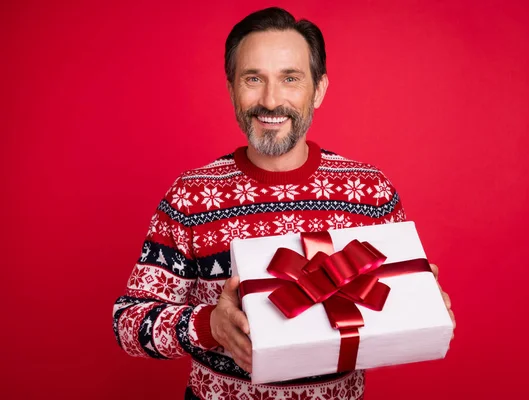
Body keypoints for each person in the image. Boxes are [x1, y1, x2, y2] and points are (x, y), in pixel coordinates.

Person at [112, 7, 455, 400]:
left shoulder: (370, 191)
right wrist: (211, 326)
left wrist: (422, 305)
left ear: (319, 89)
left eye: (290, 78)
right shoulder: (191, 195)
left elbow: (391, 307)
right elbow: (128, 322)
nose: (271, 100)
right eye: (253, 79)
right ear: (231, 90)